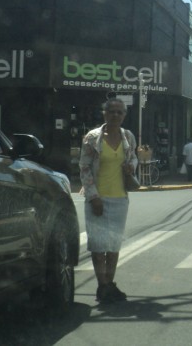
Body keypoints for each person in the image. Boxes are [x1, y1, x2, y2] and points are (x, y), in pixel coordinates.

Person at [79, 98, 137, 304]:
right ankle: (102, 285)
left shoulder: (128, 136)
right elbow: (84, 167)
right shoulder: (92, 138)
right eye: (111, 111)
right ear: (104, 114)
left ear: (124, 115)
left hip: (120, 198)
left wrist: (131, 167)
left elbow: (133, 159)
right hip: (97, 198)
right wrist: (93, 196)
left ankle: (108, 286)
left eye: (119, 112)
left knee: (113, 246)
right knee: (98, 246)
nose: (115, 115)